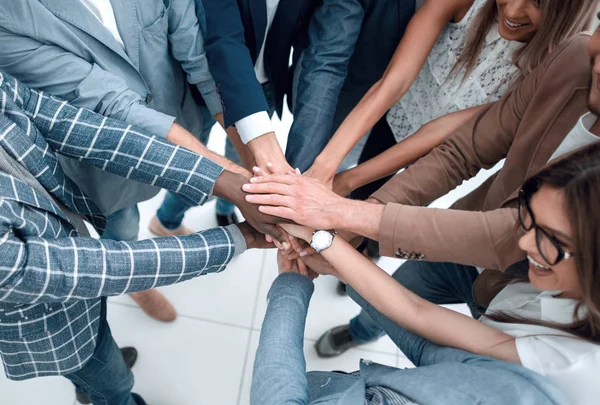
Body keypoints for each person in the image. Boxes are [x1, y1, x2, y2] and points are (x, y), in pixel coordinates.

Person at [241, 18, 600, 358]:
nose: (598, 66)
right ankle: (361, 330)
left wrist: (339, 214)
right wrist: (349, 225)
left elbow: (510, 236)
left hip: (531, 314)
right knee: (393, 298)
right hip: (459, 246)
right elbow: (464, 150)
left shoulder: (558, 353)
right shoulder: (574, 59)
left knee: (423, 334)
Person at [0, 71, 282, 405]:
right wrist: (239, 238)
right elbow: (102, 267)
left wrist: (222, 180)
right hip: (49, 319)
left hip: (75, 249)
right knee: (113, 384)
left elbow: (79, 128)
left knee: (101, 342)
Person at [269, 140, 600, 405]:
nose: (525, 241)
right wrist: (329, 249)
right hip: (483, 301)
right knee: (407, 285)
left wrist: (293, 279)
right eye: (528, 219)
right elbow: (421, 321)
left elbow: (279, 396)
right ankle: (359, 331)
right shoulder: (557, 279)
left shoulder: (570, 366)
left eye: (552, 240)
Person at [0, 0, 240, 320]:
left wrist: (241, 159)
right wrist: (228, 173)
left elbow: (195, 51)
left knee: (195, 187)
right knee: (123, 226)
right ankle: (136, 285)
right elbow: (108, 101)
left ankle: (166, 220)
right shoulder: (9, 18)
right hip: (100, 150)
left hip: (176, 115)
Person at [303, 0, 597, 191]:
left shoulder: (551, 66)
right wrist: (325, 166)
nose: (513, 10)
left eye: (537, 4)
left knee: (389, 211)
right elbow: (394, 81)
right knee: (364, 179)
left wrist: (345, 180)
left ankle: (369, 248)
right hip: (404, 108)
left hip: (448, 153)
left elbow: (444, 131)